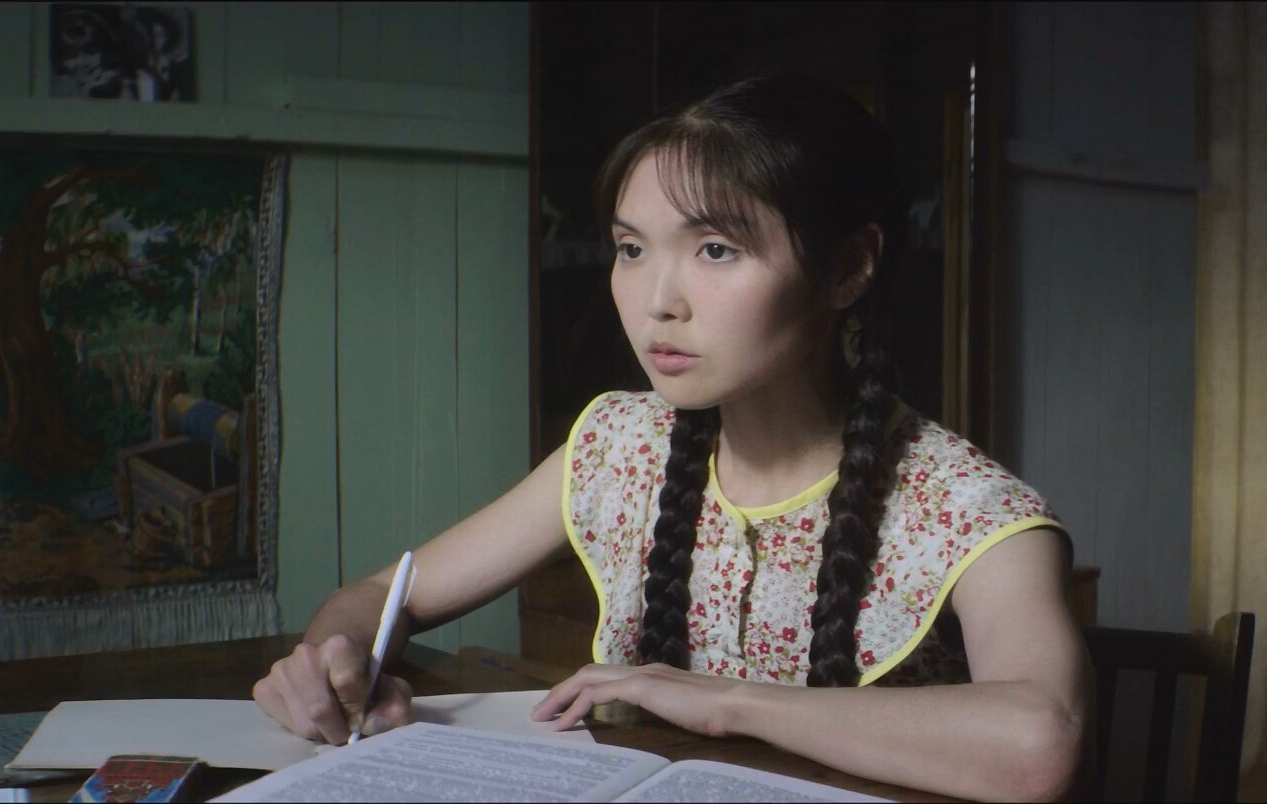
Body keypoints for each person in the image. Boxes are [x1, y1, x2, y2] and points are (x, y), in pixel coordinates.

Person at [252, 72, 1089, 802]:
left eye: (715, 249)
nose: (657, 302)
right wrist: (333, 662)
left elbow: (1040, 742)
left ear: (847, 268)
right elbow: (386, 593)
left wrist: (721, 701)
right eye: (630, 248)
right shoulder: (620, 444)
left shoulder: (966, 507)